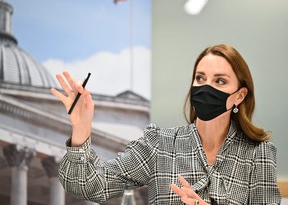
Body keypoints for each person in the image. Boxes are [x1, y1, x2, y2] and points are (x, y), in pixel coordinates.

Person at [50, 44, 281, 205]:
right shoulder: (159, 144)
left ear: (240, 96)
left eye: (219, 81)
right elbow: (88, 186)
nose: (206, 87)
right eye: (200, 78)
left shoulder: (258, 153)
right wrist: (81, 129)